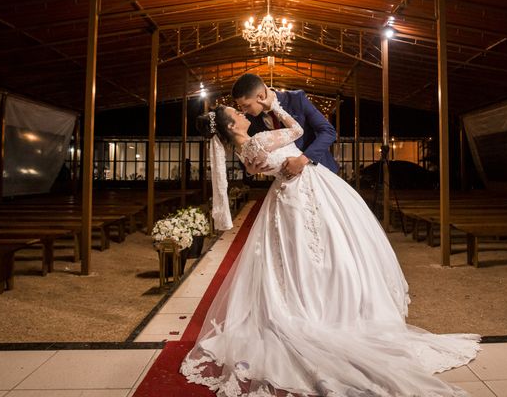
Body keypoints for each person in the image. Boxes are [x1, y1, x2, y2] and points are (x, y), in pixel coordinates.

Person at [182, 91, 480, 397]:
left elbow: (265, 163)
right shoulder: (257, 141)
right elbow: (296, 131)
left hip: (287, 197)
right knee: (323, 253)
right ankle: (329, 310)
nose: (246, 115)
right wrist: (277, 107)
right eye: (239, 113)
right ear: (232, 126)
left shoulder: (246, 153)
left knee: (296, 258)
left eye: (244, 107)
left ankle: (311, 305)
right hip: (301, 193)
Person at [232, 73, 338, 179]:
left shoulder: (296, 99)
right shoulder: (250, 119)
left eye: (246, 105)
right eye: (240, 107)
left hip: (320, 170)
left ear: (260, 96)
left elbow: (328, 131)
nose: (243, 111)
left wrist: (302, 160)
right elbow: (246, 150)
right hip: (287, 182)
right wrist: (249, 170)